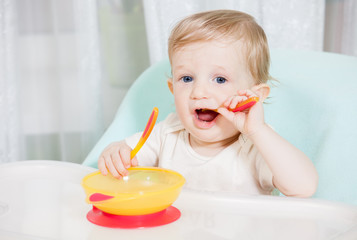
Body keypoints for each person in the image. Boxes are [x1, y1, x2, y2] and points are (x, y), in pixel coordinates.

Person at [98, 10, 318, 197]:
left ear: (255, 96)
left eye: (220, 79)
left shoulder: (256, 145)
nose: (199, 92)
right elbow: (127, 155)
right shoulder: (166, 134)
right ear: (172, 89)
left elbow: (304, 187)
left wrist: (258, 130)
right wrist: (116, 152)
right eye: (187, 78)